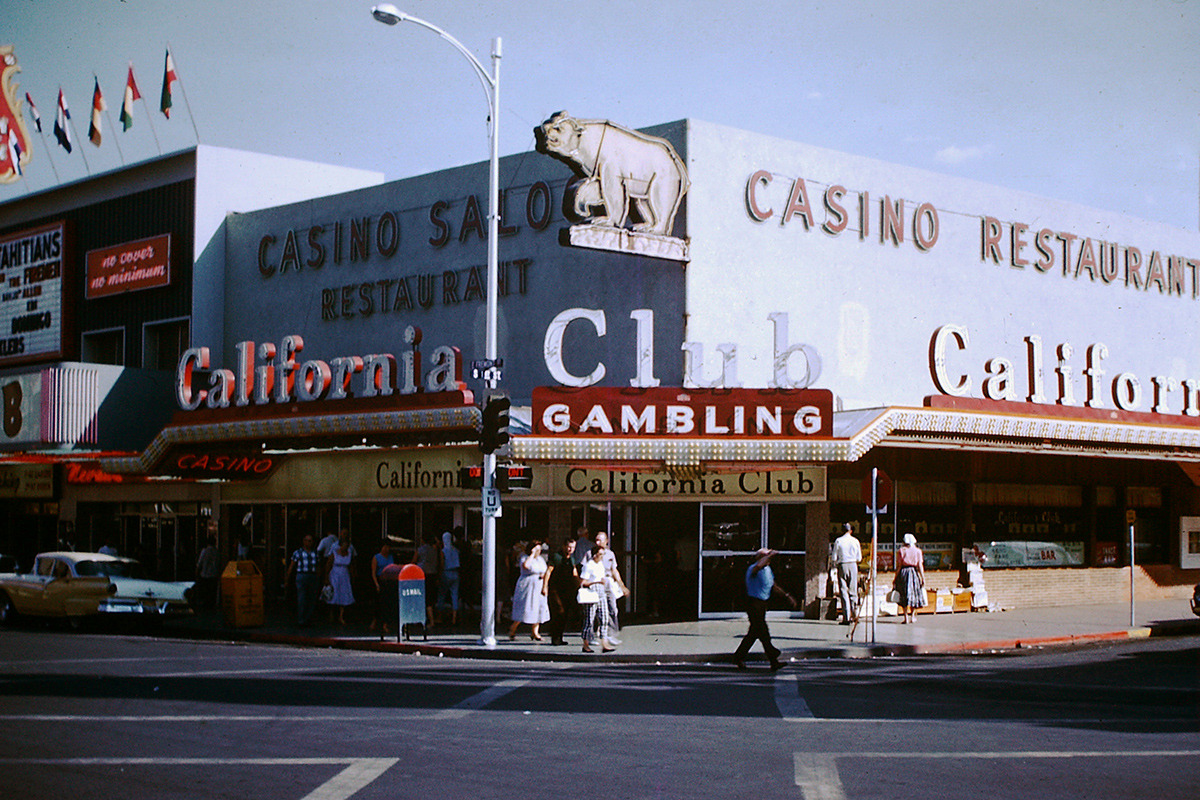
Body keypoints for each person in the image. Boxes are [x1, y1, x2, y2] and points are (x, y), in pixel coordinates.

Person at [733, 548, 796, 670]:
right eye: (766, 557)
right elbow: (758, 567)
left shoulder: (767, 569)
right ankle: (773, 656)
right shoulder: (753, 569)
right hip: (753, 604)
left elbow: (773, 585)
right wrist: (769, 555)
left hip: (762, 605)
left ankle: (739, 657)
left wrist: (787, 596)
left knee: (754, 634)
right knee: (763, 632)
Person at [508, 540, 550, 641]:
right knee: (525, 607)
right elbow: (526, 566)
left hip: (538, 585)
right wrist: (532, 554)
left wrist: (545, 584)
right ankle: (512, 629)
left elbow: (545, 570)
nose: (538, 552)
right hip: (528, 585)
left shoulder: (540, 559)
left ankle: (535, 632)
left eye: (540, 550)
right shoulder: (525, 558)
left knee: (539, 607)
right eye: (537, 550)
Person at [579, 542, 616, 653]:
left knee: (604, 617)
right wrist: (596, 581)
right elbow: (583, 582)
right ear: (594, 555)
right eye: (600, 554)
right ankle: (585, 643)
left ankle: (604, 643)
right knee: (589, 619)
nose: (601, 557)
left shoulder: (600, 565)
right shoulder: (588, 565)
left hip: (601, 592)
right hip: (592, 592)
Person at [592, 531, 626, 644]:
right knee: (595, 610)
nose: (597, 542)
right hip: (596, 582)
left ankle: (611, 633)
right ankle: (594, 634)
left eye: (600, 540)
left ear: (606, 541)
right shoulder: (590, 553)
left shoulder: (610, 554)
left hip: (607, 582)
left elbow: (614, 570)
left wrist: (621, 584)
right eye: (596, 540)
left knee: (612, 608)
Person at [545, 537, 579, 645]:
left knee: (564, 614)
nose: (570, 549)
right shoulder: (556, 557)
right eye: (569, 547)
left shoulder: (571, 559)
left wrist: (579, 585)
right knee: (558, 611)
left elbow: (574, 573)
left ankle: (559, 637)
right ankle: (555, 637)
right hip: (556, 589)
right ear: (564, 546)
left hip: (568, 589)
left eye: (573, 547)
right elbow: (549, 571)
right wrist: (544, 586)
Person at [286, 534, 320, 627]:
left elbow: (318, 566)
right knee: (302, 598)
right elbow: (292, 565)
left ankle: (308, 619)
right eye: (306, 540)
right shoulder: (298, 553)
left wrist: (318, 577)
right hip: (302, 575)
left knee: (311, 599)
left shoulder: (315, 553)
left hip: (312, 576)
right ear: (303, 541)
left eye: (310, 541)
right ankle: (301, 620)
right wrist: (287, 578)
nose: (308, 543)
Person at [832, 523, 863, 625]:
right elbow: (859, 558)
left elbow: (834, 557)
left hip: (842, 565)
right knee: (853, 590)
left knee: (843, 591)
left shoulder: (838, 541)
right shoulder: (855, 541)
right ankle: (855, 615)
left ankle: (846, 617)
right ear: (851, 531)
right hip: (853, 565)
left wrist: (835, 564)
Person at [894, 533, 927, 623]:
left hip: (904, 573)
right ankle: (913, 616)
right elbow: (920, 565)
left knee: (904, 594)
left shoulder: (901, 550)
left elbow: (899, 565)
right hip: (913, 573)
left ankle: (906, 617)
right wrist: (923, 577)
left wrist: (895, 577)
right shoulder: (918, 551)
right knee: (914, 594)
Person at [323, 533, 355, 625]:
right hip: (335, 575)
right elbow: (328, 565)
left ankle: (341, 616)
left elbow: (351, 566)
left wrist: (352, 576)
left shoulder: (349, 554)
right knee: (334, 594)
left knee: (344, 594)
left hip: (344, 576)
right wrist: (326, 578)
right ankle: (331, 614)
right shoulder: (334, 553)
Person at [414, 532, 441, 630]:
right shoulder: (434, 550)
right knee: (430, 598)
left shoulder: (420, 550)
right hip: (432, 575)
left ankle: (422, 619)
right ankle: (431, 619)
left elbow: (414, 561)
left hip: (422, 575)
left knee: (422, 598)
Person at [370, 539, 395, 634]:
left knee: (387, 603)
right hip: (380, 580)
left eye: (388, 547)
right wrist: (376, 584)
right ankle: (375, 621)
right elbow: (373, 572)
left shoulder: (391, 557)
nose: (386, 549)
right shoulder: (376, 558)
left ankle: (385, 624)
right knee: (378, 603)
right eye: (385, 547)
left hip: (389, 581)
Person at [437, 529, 461, 626]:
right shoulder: (456, 550)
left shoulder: (443, 551)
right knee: (454, 595)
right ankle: (454, 618)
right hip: (455, 573)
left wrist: (439, 575)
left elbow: (442, 564)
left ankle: (439, 616)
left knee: (441, 595)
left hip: (446, 573)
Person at [195, 534, 222, 611]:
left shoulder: (204, 551)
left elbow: (199, 563)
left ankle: (205, 607)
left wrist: (197, 573)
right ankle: (211, 607)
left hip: (205, 575)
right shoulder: (217, 552)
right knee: (212, 593)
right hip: (214, 575)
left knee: (205, 593)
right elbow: (219, 563)